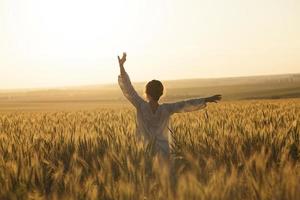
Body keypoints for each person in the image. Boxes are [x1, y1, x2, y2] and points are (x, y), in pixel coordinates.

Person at [117, 52, 222, 160]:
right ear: (161, 93)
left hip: (146, 152)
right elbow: (185, 104)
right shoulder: (166, 109)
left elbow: (128, 89)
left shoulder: (140, 105)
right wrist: (206, 99)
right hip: (164, 152)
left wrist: (121, 67)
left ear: (146, 92)